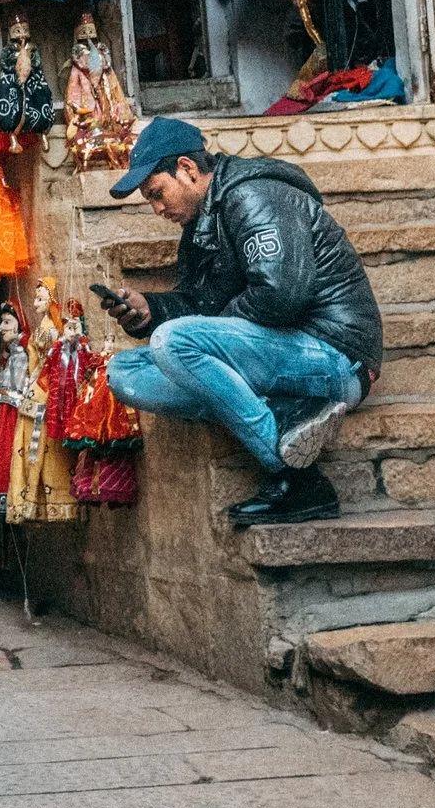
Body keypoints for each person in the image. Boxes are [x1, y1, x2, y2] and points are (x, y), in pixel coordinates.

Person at [93, 117, 380, 526]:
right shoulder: (201, 223)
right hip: (280, 359)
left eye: (157, 193)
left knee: (174, 342)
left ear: (188, 170)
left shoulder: (254, 195)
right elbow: (199, 304)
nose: (157, 209)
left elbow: (281, 295)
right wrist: (150, 310)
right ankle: (284, 414)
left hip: (337, 358)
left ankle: (295, 476)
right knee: (125, 372)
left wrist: (208, 336)